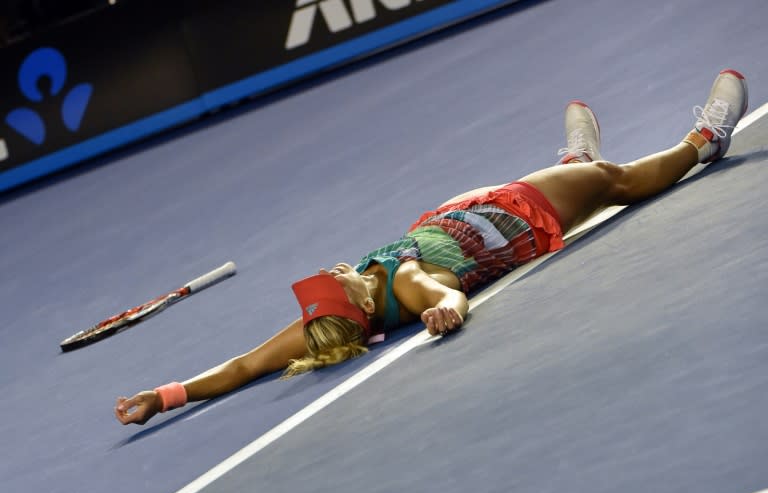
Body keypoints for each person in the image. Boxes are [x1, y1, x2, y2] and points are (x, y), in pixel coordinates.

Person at [116, 69, 748, 426]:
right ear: (360, 305)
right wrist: (445, 311)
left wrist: (166, 395)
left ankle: (577, 161)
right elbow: (444, 297)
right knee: (616, 184)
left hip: (457, 213)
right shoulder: (409, 286)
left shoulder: (334, 314)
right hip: (516, 218)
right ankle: (702, 141)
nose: (326, 273)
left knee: (583, 178)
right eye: (333, 281)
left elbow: (243, 366)